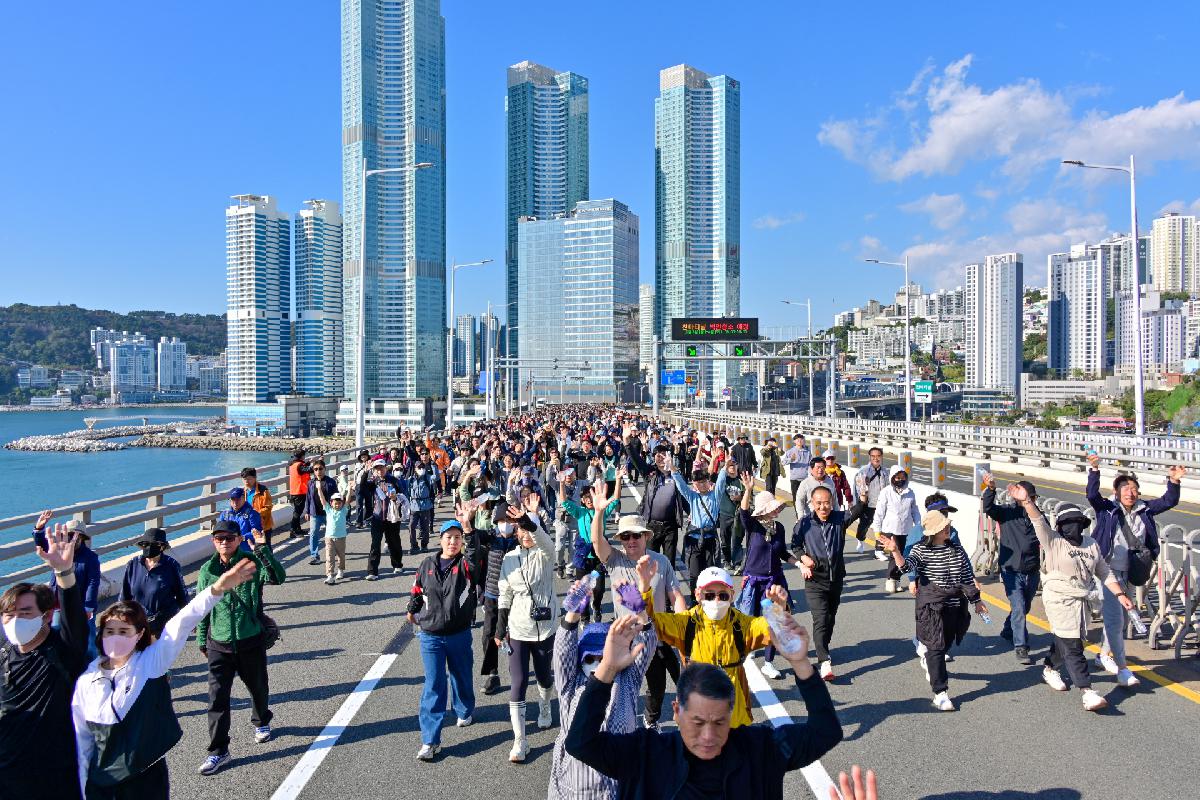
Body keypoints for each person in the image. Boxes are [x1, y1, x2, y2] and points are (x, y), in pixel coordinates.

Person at [565, 608, 843, 799]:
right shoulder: (645, 755)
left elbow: (825, 732)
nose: (708, 737)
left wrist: (800, 662)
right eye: (697, 722)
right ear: (676, 711)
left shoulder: (761, 749)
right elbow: (580, 743)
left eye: (719, 722)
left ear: (731, 714)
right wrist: (607, 670)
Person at [72, 558, 258, 799]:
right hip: (100, 782)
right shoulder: (87, 679)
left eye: (124, 631)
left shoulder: (150, 663)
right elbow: (81, 739)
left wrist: (217, 589)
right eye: (109, 631)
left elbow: (180, 624)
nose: (115, 637)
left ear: (139, 634)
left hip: (144, 778)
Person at [1008, 486, 1130, 711]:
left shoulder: (1091, 544)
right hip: (1059, 599)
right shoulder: (1053, 541)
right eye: (1067, 523)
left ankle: (1050, 668)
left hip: (1081, 599)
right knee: (1073, 646)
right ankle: (1087, 691)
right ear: (1060, 526)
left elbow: (1104, 571)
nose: (1072, 527)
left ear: (1083, 524)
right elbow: (1038, 522)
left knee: (1069, 640)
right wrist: (1027, 502)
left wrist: (1120, 594)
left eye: (1076, 522)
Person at [1, 524, 90, 800]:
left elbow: (75, 619)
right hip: (7, 775)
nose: (15, 620)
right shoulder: (4, 651)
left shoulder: (63, 650)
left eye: (26, 612)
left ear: (48, 616)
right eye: (8, 614)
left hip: (54, 777)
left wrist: (63, 572)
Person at [587, 490, 687, 731]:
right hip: (627, 639)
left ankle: (652, 721)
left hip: (658, 635)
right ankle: (622, 725)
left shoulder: (660, 561)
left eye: (636, 536)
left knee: (661, 685)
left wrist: (685, 625)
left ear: (646, 537)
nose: (631, 541)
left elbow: (675, 595)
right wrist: (599, 511)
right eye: (626, 537)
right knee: (625, 687)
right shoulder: (615, 560)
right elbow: (597, 542)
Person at [637, 561, 781, 728]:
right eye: (710, 595)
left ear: (732, 595)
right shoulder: (685, 623)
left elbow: (773, 630)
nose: (717, 600)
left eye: (723, 595)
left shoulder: (741, 624)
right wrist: (645, 586)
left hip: (734, 718)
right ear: (698, 595)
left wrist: (778, 607)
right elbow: (648, 621)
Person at [195, 520, 287, 775]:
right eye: (218, 538)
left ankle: (261, 722)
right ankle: (218, 752)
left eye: (229, 537)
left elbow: (278, 577)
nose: (224, 542)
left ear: (237, 539)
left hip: (250, 639)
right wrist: (202, 640)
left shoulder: (251, 561)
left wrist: (263, 549)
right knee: (217, 699)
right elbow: (203, 609)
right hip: (219, 643)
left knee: (257, 686)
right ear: (214, 541)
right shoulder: (207, 570)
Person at [1085, 455, 1184, 687]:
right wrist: (1094, 469)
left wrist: (1174, 481)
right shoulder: (1108, 509)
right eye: (1124, 489)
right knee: (1116, 615)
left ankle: (1103, 654)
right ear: (1116, 492)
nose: (1129, 492)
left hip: (1132, 569)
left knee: (1119, 618)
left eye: (1133, 489)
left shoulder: (1145, 509)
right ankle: (1106, 656)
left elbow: (1169, 501)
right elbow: (1091, 495)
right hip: (1108, 570)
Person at [879, 511, 988, 712]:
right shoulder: (920, 549)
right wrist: (895, 552)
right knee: (936, 647)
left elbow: (965, 576)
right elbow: (906, 568)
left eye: (947, 525)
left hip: (955, 605)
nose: (947, 528)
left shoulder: (957, 549)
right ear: (932, 531)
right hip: (931, 606)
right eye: (942, 527)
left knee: (946, 643)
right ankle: (941, 693)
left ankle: (928, 657)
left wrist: (976, 601)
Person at [549, 611, 656, 799]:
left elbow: (644, 647)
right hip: (573, 788)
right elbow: (562, 652)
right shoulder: (570, 683)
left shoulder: (627, 679)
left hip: (618, 787)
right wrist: (572, 616)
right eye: (590, 659)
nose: (599, 665)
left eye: (603, 657)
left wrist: (642, 616)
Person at [407, 515, 478, 762]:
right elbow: (417, 590)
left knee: (461, 675)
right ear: (441, 540)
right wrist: (412, 608)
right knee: (434, 685)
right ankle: (430, 741)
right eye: (449, 538)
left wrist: (468, 529)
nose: (453, 542)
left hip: (458, 632)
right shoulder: (427, 564)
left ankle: (463, 708)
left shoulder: (466, 565)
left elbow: (474, 555)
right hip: (430, 635)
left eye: (457, 538)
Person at [496, 493, 558, 762]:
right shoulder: (510, 558)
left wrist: (530, 520)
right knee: (518, 682)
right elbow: (504, 593)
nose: (526, 534)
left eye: (529, 528)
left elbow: (544, 541)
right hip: (519, 626)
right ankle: (519, 740)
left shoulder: (546, 554)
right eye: (521, 529)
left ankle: (545, 706)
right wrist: (500, 627)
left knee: (544, 677)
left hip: (545, 627)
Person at [735, 482, 800, 681]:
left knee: (775, 621)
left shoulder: (779, 528)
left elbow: (782, 552)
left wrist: (799, 564)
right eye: (773, 508)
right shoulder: (752, 525)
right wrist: (747, 490)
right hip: (754, 581)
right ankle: (752, 646)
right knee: (752, 619)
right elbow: (744, 511)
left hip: (774, 582)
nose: (777, 511)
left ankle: (769, 663)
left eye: (777, 508)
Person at [980, 474, 1041, 665]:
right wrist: (990, 489)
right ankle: (1021, 646)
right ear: (1016, 496)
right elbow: (988, 508)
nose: (1029, 499)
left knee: (1024, 606)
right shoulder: (1006, 512)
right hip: (1011, 569)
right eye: (1025, 495)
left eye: (1031, 496)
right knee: (1019, 607)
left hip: (1032, 569)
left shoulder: (1037, 515)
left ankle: (1009, 629)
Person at [790, 485, 845, 681]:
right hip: (814, 580)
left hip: (836, 579)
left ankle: (824, 647)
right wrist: (803, 557)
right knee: (820, 618)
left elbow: (860, 511)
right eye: (819, 503)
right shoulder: (804, 523)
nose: (823, 507)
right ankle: (824, 661)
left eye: (827, 502)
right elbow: (795, 545)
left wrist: (863, 497)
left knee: (830, 617)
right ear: (812, 503)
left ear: (832, 502)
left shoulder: (839, 519)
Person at [479, 501, 529, 695]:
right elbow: (473, 536)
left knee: (516, 633)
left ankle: (516, 667)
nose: (505, 524)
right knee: (489, 635)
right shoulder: (490, 538)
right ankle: (493, 674)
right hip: (493, 594)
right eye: (501, 520)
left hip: (517, 595)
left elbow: (539, 534)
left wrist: (525, 519)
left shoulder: (522, 539)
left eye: (509, 520)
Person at [35, 514, 101, 659]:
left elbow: (93, 582)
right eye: (70, 535)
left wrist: (89, 606)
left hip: (82, 604)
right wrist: (39, 528)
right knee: (56, 632)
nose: (73, 539)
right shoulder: (58, 550)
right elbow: (41, 545)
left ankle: (92, 668)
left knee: (88, 640)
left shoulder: (90, 558)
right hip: (58, 604)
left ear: (83, 538)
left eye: (77, 536)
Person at [119, 528, 188, 637]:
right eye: (145, 544)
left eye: (155, 544)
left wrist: (188, 620)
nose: (149, 547)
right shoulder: (133, 564)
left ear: (163, 547)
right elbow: (124, 596)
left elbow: (182, 595)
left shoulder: (172, 566)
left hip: (164, 625)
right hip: (137, 624)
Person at [670, 460, 728, 591]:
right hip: (694, 540)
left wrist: (725, 467)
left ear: (709, 481)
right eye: (698, 482)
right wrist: (673, 468)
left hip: (710, 540)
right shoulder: (692, 496)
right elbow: (681, 485)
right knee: (694, 573)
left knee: (710, 573)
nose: (702, 484)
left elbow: (720, 484)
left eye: (704, 481)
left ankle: (708, 597)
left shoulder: (715, 496)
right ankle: (694, 599)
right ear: (694, 484)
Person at [636, 444, 690, 570]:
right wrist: (627, 443)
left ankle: (668, 589)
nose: (660, 457)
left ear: (669, 457)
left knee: (669, 563)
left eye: (663, 454)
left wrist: (692, 512)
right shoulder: (650, 473)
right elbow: (636, 460)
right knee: (650, 562)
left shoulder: (676, 475)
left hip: (670, 527)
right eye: (657, 454)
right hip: (652, 526)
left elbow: (684, 496)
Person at [870, 466, 920, 593]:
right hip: (890, 529)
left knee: (903, 555)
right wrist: (877, 529)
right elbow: (879, 512)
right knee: (894, 555)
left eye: (903, 478)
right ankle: (891, 579)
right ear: (892, 478)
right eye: (898, 477)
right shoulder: (886, 492)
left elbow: (914, 510)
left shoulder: (910, 492)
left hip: (906, 529)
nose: (900, 480)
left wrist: (919, 526)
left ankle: (897, 579)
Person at [366, 459, 408, 581]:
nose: (380, 470)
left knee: (394, 541)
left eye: (381, 468)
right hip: (377, 516)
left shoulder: (394, 480)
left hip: (392, 516)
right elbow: (362, 488)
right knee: (375, 544)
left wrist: (396, 497)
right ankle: (372, 571)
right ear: (374, 470)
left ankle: (397, 564)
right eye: (377, 468)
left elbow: (403, 495)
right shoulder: (372, 482)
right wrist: (366, 472)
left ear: (386, 468)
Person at [845, 447, 887, 555]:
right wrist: (862, 499)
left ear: (881, 457)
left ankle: (879, 550)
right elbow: (860, 489)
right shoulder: (864, 471)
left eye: (878, 456)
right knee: (864, 525)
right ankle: (860, 540)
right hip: (868, 504)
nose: (876, 458)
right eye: (873, 456)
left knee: (881, 526)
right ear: (870, 457)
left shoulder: (885, 471)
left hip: (881, 504)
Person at [303, 459, 338, 566]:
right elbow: (308, 498)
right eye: (316, 469)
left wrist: (336, 509)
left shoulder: (330, 482)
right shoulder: (311, 482)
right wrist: (307, 511)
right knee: (313, 534)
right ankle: (314, 555)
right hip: (315, 513)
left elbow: (336, 497)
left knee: (333, 533)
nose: (318, 471)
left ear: (325, 469)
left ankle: (336, 551)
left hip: (328, 513)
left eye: (320, 469)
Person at [408, 451, 440, 555]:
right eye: (419, 467)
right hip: (414, 506)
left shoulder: (428, 478)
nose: (421, 469)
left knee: (425, 527)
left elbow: (437, 477)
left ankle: (424, 545)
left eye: (422, 467)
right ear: (415, 469)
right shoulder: (411, 479)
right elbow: (407, 490)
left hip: (426, 505)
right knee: (411, 526)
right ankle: (414, 545)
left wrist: (434, 465)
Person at [717, 460, 746, 571]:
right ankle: (727, 560)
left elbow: (749, 496)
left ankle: (737, 562)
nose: (732, 468)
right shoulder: (724, 480)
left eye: (734, 465)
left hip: (738, 516)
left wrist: (741, 497)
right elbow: (717, 478)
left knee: (737, 540)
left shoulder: (741, 481)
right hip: (724, 514)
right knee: (725, 540)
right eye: (730, 466)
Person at [321, 491, 350, 585]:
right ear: (331, 503)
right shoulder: (328, 510)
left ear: (342, 503)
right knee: (329, 556)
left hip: (341, 537)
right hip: (329, 537)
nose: (337, 505)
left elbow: (348, 500)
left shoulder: (344, 510)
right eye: (335, 503)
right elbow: (323, 500)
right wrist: (319, 489)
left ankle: (341, 570)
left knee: (341, 556)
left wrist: (349, 489)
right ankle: (330, 575)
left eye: (339, 503)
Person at [241, 467, 275, 545]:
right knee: (251, 547)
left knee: (265, 547)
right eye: (244, 479)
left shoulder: (263, 490)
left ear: (255, 478)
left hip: (263, 525)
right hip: (249, 525)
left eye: (249, 479)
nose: (246, 481)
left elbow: (268, 507)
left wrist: (255, 515)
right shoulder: (243, 492)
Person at [783, 434, 812, 510]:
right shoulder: (790, 451)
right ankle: (798, 517)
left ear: (803, 441)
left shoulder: (808, 452)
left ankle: (805, 516)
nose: (799, 441)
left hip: (805, 479)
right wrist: (791, 460)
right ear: (794, 441)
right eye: (797, 439)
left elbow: (810, 464)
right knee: (796, 499)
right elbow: (783, 462)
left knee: (805, 499)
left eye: (801, 439)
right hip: (795, 479)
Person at [287, 449, 311, 540]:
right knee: (297, 512)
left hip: (294, 491)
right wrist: (318, 465)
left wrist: (308, 463)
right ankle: (293, 530)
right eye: (304, 456)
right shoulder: (299, 465)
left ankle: (298, 529)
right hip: (299, 491)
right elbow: (306, 470)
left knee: (297, 511)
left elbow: (302, 469)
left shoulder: (293, 464)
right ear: (301, 456)